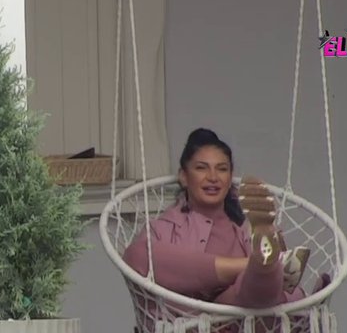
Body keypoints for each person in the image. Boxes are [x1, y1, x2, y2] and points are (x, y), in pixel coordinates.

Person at [123, 127, 322, 307]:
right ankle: (259, 266)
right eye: (201, 168)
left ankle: (265, 269)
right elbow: (137, 261)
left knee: (254, 285)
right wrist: (243, 266)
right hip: (191, 320)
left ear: (230, 177)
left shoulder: (244, 231)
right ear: (183, 176)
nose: (213, 177)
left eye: (222, 169)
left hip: (241, 319)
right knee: (137, 253)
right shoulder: (163, 228)